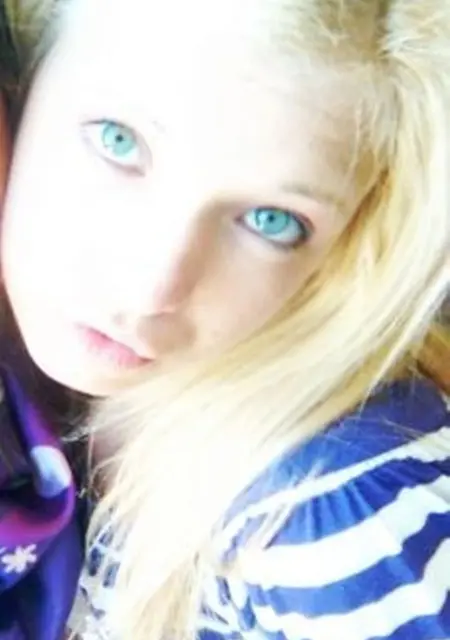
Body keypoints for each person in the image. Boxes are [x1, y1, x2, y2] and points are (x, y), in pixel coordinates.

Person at [0, 0, 449, 639]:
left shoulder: (338, 514)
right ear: (23, 86)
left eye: (271, 221)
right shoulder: (58, 407)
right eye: (118, 142)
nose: (148, 291)